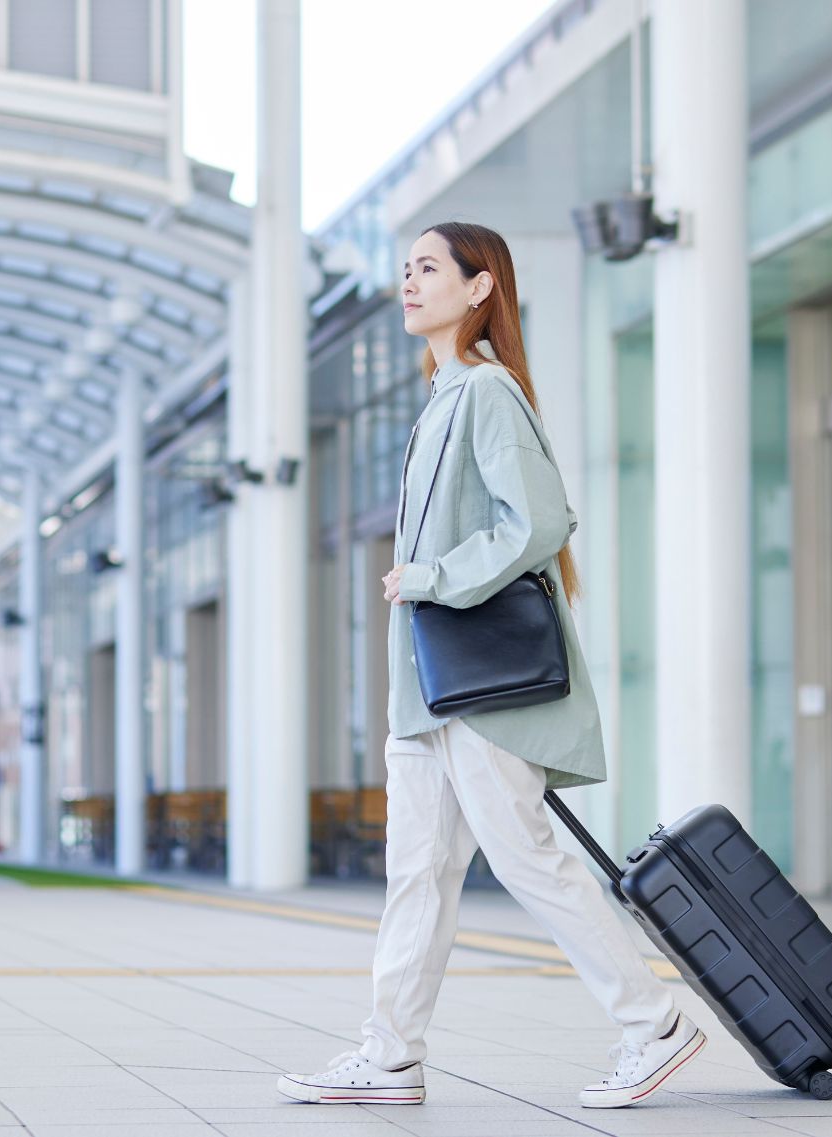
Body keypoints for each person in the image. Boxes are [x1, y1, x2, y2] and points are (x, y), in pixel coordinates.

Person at [278, 223, 705, 1110]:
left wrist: (431, 575)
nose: (409, 282)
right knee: (418, 873)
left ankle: (652, 1022)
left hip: (475, 687)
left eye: (428, 268)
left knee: (526, 860)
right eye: (404, 270)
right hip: (428, 692)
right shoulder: (440, 399)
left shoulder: (485, 392)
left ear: (479, 289)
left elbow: (540, 520)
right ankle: (391, 1053)